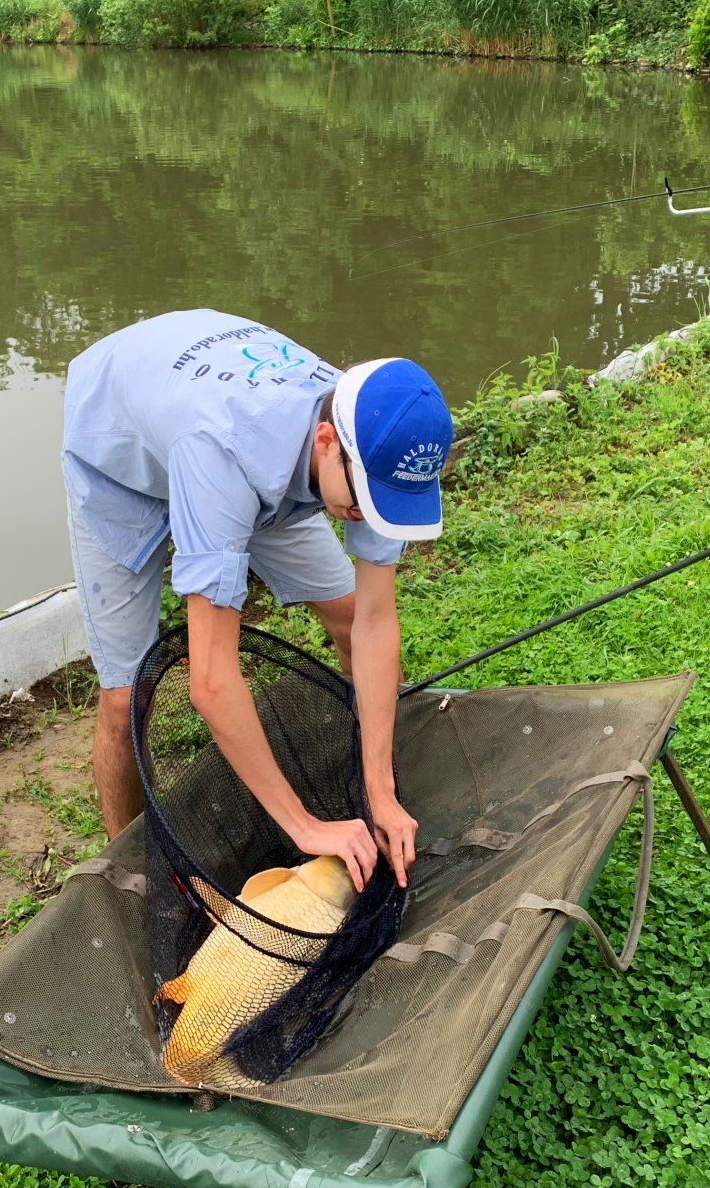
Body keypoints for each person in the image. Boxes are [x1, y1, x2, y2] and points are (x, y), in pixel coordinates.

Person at [62, 309, 452, 891]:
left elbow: (373, 621)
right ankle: (129, 882)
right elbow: (212, 681)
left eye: (385, 501)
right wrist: (304, 828)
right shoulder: (223, 453)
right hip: (118, 450)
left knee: (347, 618)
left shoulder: (372, 437)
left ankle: (367, 790)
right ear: (326, 442)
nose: (372, 516)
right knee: (125, 698)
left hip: (256, 455)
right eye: (366, 498)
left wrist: (381, 789)